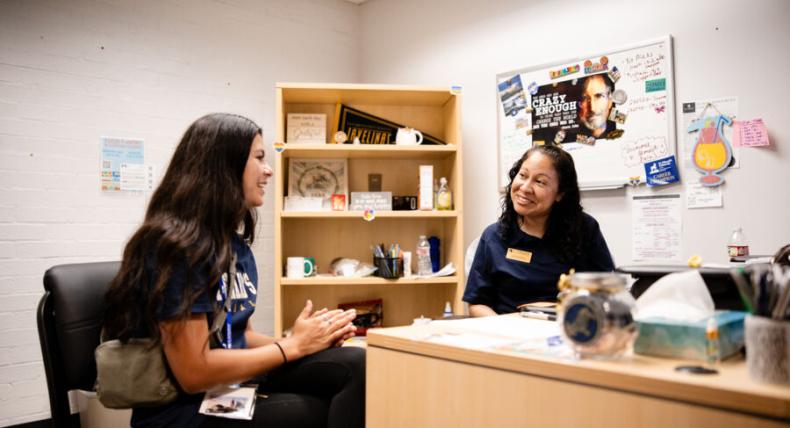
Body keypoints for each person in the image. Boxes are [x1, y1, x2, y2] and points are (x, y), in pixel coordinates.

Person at [103, 113, 365, 428]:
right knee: (310, 410)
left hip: (228, 388)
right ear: (223, 167)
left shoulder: (233, 245)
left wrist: (309, 341)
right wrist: (291, 346)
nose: (269, 170)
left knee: (356, 364)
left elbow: (240, 336)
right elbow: (193, 373)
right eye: (259, 158)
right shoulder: (174, 247)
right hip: (184, 410)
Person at [463, 144, 614, 316]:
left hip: (568, 331)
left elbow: (606, 292)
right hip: (508, 333)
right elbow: (477, 303)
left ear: (560, 193)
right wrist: (506, 331)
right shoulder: (493, 236)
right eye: (522, 175)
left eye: (540, 181)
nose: (525, 188)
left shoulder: (584, 230)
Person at [577, 73, 617, 139]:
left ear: (610, 101)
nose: (592, 108)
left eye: (598, 96)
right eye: (585, 98)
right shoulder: (572, 136)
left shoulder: (619, 128)